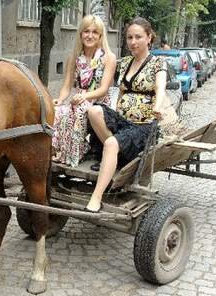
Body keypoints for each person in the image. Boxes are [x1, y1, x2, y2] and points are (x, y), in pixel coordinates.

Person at [84, 17, 168, 212]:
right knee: (94, 110)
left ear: (149, 37)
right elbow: (119, 92)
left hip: (145, 127)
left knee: (112, 143)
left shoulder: (158, 63)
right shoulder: (124, 63)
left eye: (138, 37)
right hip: (124, 122)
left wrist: (158, 105)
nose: (133, 42)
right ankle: (114, 156)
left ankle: (96, 198)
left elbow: (160, 86)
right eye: (129, 37)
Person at [52, 15, 117, 167]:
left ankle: (75, 154)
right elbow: (67, 86)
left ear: (100, 36)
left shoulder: (108, 57)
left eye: (95, 32)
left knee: (80, 110)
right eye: (86, 31)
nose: (90, 35)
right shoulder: (74, 57)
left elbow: (103, 89)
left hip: (100, 104)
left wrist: (83, 96)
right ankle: (58, 151)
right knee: (58, 111)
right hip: (79, 100)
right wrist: (60, 100)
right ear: (80, 34)